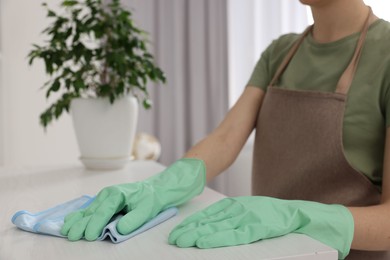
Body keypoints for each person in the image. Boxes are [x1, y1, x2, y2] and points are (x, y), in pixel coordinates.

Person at [60, 0, 390, 259]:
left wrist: (296, 215)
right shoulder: (281, 53)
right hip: (265, 253)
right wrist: (163, 186)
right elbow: (226, 137)